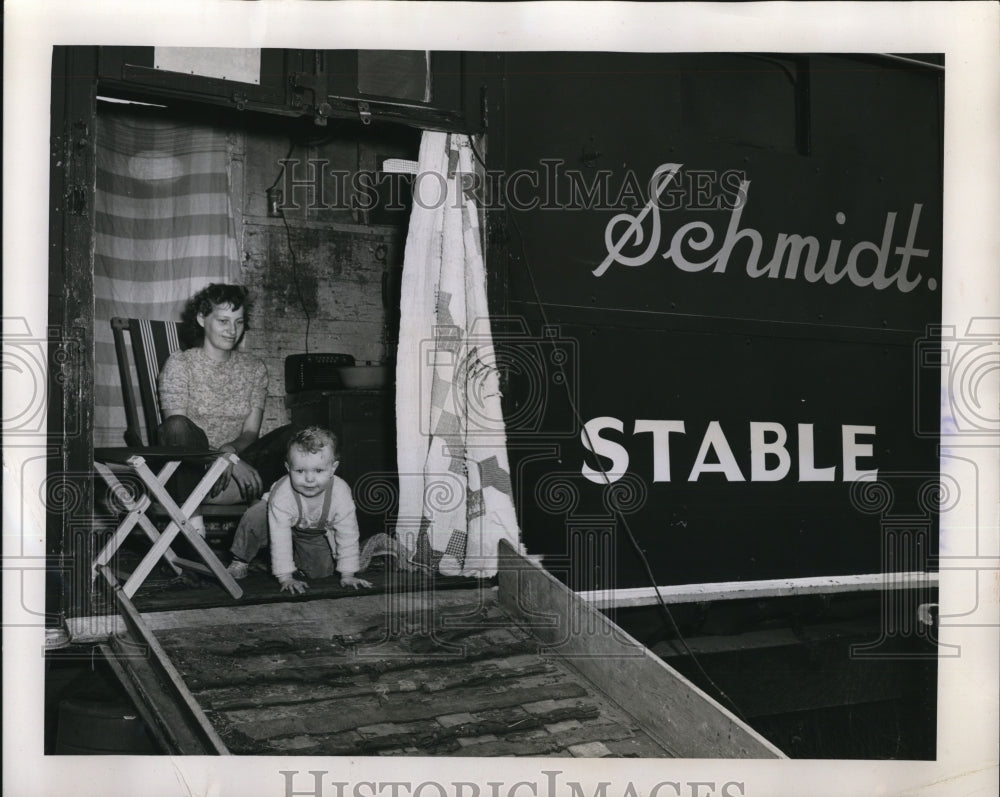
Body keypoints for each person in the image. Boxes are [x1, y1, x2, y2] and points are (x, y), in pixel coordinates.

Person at [158, 284, 291, 531]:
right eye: (223, 321)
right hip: (194, 472)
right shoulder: (180, 364)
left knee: (299, 434)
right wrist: (221, 457)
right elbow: (176, 431)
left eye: (239, 322)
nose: (232, 331)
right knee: (176, 427)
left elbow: (251, 433)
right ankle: (193, 526)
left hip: (241, 466)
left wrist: (231, 452)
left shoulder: (254, 368)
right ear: (201, 319)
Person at [227, 426, 373, 594]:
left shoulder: (340, 494)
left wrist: (348, 574)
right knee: (255, 516)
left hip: (310, 530)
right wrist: (285, 577)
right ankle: (241, 559)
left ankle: (296, 560)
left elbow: (348, 534)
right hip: (274, 520)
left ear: (333, 468)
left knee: (321, 572)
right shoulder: (283, 494)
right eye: (300, 471)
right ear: (288, 469)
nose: (309, 479)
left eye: (318, 470)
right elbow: (280, 537)